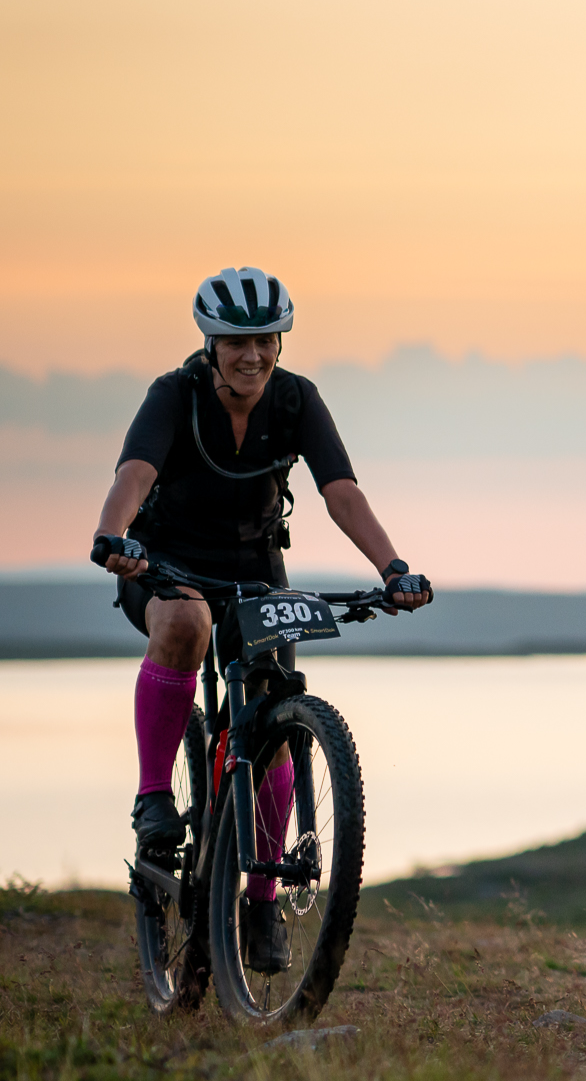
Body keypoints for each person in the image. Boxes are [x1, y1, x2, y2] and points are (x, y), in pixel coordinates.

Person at [90, 267, 432, 971]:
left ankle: (263, 898)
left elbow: (341, 492)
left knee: (274, 709)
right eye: (236, 342)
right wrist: (113, 535)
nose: (253, 355)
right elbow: (134, 476)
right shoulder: (174, 395)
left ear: (280, 342)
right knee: (186, 625)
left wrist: (392, 570)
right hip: (164, 564)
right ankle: (155, 800)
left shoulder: (296, 399)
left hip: (254, 571)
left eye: (266, 341)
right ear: (211, 344)